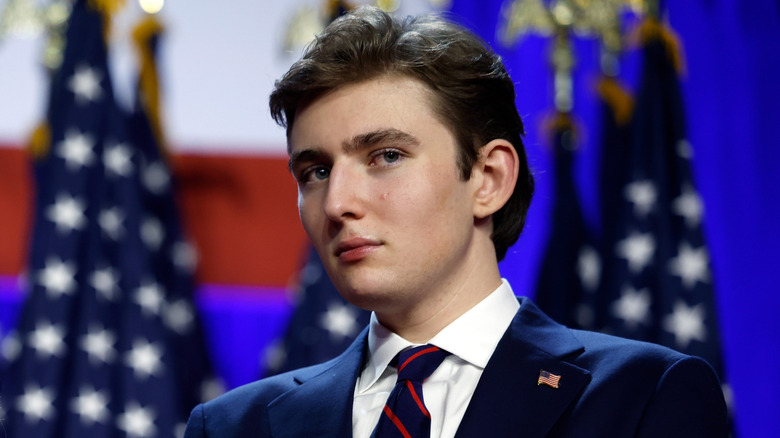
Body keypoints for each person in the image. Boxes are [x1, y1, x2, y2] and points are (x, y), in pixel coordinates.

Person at [184, 6, 727, 437]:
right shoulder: (234, 427)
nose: (336, 203)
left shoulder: (643, 399)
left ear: (489, 177)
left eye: (386, 155)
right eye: (316, 170)